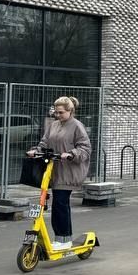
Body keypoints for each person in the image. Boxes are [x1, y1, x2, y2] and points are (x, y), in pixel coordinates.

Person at [28, 96, 90, 250]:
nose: (57, 115)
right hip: (54, 171)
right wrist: (36, 150)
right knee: (56, 204)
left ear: (70, 111)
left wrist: (71, 154)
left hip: (69, 171)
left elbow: (85, 148)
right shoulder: (54, 125)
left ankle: (65, 239)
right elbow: (45, 142)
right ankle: (60, 238)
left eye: (61, 112)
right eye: (56, 112)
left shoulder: (77, 126)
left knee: (60, 203)